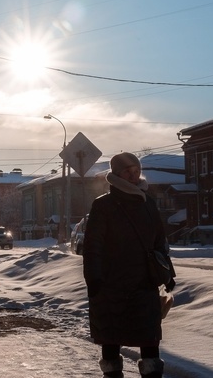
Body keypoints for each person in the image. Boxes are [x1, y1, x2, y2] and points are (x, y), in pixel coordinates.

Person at [82, 152, 176, 378]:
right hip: (111, 285)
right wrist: (94, 279)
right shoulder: (103, 205)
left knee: (149, 341)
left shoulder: (147, 203)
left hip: (145, 285)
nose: (133, 176)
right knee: (112, 339)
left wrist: (167, 274)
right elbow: (93, 246)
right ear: (116, 173)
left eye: (136, 171)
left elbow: (159, 242)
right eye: (128, 171)